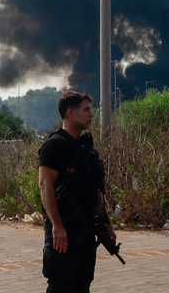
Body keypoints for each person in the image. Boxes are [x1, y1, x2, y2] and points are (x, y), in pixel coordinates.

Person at [38, 90, 115, 293]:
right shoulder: (54, 145)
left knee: (83, 285)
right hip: (64, 231)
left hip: (86, 231)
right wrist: (57, 226)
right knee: (61, 286)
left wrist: (106, 224)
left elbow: (96, 192)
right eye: (86, 110)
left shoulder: (87, 150)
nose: (91, 114)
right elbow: (45, 186)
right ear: (70, 113)